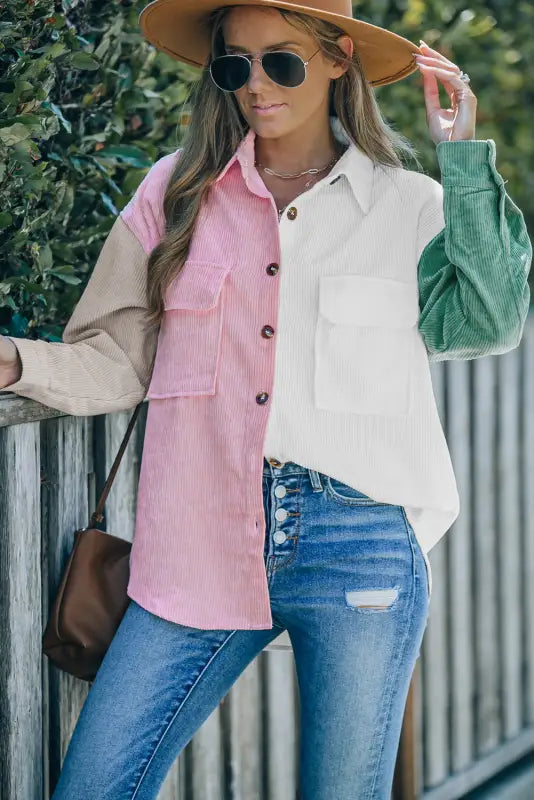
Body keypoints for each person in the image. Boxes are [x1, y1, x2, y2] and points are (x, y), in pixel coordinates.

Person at [0, 1, 531, 797]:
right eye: (233, 64)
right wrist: (12, 362)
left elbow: (488, 324)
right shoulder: (174, 194)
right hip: (196, 540)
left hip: (359, 544)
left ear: (338, 59)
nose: (255, 84)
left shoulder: (411, 202)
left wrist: (462, 158)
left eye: (280, 60)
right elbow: (114, 357)